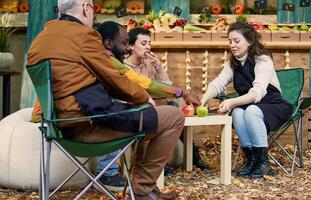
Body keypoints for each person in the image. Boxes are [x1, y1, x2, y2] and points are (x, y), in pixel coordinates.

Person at [27, 1, 199, 199]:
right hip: (89, 125)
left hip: (57, 128)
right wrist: (145, 98)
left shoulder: (39, 40)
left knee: (148, 117)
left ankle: (147, 190)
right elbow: (114, 78)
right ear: (86, 7)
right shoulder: (84, 35)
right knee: (173, 116)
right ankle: (142, 190)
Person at [95, 21, 202, 190]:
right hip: (103, 119)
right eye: (124, 43)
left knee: (158, 112)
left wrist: (159, 70)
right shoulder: (110, 61)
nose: (127, 48)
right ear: (108, 43)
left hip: (95, 117)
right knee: (170, 117)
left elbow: (153, 84)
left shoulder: (104, 58)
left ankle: (143, 176)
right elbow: (143, 84)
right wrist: (181, 93)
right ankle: (136, 181)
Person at [200, 22, 293, 179]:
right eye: (230, 41)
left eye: (237, 41)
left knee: (250, 110)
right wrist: (202, 101)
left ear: (249, 41)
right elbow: (218, 84)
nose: (232, 45)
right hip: (251, 105)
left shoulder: (262, 59)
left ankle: (264, 163)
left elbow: (257, 93)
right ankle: (251, 160)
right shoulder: (233, 63)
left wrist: (232, 102)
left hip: (273, 104)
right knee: (237, 113)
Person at [125, 27, 209, 170]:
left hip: (155, 104)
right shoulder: (125, 67)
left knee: (175, 104)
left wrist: (159, 67)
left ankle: (194, 156)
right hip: (137, 108)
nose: (148, 47)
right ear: (132, 46)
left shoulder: (149, 64)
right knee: (166, 109)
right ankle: (156, 164)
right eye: (143, 43)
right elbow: (139, 90)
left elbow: (167, 87)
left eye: (149, 43)